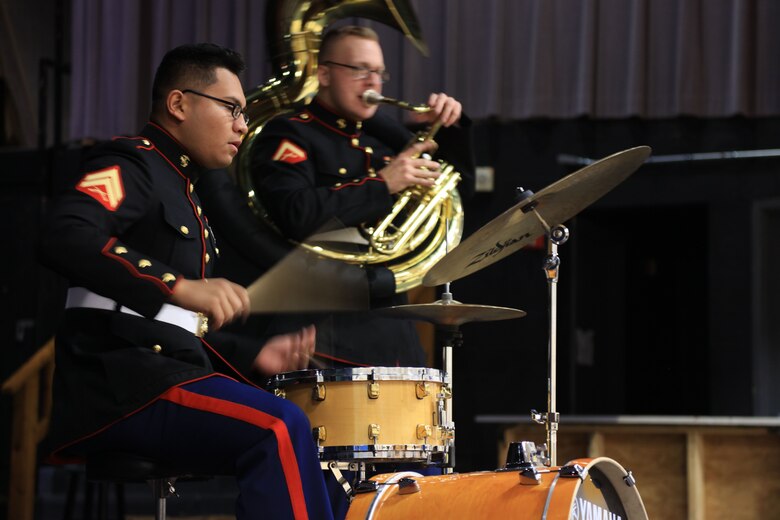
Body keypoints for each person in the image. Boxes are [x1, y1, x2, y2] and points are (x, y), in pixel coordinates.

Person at [38, 43, 332, 519]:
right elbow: (64, 235)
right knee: (278, 426)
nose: (243, 125)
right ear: (179, 104)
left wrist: (252, 354)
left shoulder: (184, 188)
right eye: (232, 109)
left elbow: (168, 325)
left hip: (164, 375)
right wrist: (179, 284)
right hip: (121, 384)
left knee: (319, 454)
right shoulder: (133, 164)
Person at [247, 25, 475, 368]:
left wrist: (444, 130)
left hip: (396, 332)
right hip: (325, 334)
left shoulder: (384, 142)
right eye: (360, 69)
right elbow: (298, 214)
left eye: (379, 72)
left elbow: (456, 194)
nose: (373, 82)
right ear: (324, 73)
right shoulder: (290, 133)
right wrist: (382, 184)